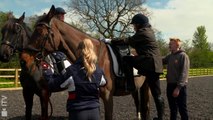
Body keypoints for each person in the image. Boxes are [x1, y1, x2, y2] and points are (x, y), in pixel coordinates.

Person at [111, 13, 164, 120]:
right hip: (154, 65)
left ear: (139, 24)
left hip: (149, 63)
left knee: (126, 59)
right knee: (156, 93)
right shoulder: (148, 31)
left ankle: (130, 84)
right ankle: (160, 117)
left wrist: (111, 41)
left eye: (134, 25)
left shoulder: (143, 32)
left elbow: (127, 41)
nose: (134, 27)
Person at [60, 38, 107, 120]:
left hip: (77, 112)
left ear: (78, 51)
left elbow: (56, 84)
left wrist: (48, 72)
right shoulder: (99, 71)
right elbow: (104, 82)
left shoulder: (71, 70)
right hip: (95, 112)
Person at [163, 38, 190, 120]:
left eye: (171, 44)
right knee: (173, 109)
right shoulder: (170, 56)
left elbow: (184, 73)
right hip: (170, 85)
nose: (169, 45)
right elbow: (160, 61)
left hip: (179, 87)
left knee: (182, 109)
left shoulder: (183, 56)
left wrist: (178, 88)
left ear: (177, 45)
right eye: (169, 43)